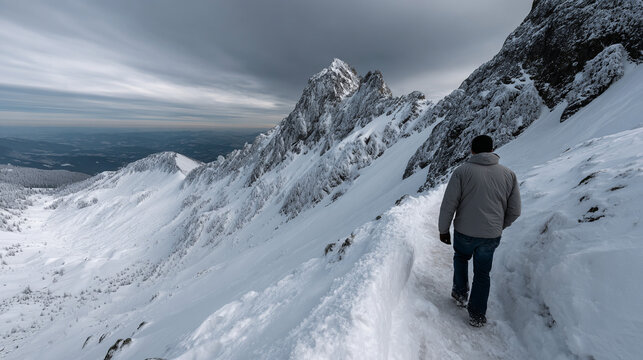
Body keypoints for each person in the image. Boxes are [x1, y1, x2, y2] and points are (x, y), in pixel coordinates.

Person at [438, 135, 521, 327]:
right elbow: (515, 210)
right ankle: (477, 315)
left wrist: (443, 229)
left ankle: (460, 293)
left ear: (472, 150)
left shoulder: (462, 172)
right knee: (483, 274)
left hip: (464, 232)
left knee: (460, 258)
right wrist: (499, 225)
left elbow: (449, 204)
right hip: (491, 235)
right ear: (492, 150)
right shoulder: (508, 174)